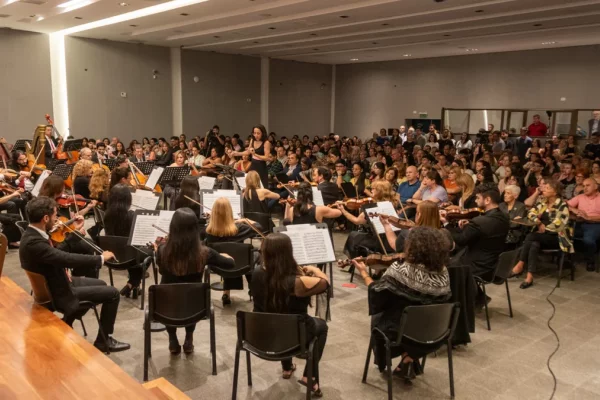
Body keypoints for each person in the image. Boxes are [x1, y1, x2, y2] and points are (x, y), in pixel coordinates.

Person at [19, 197, 129, 352]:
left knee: (102, 285)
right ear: (45, 218)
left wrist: (74, 233)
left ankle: (68, 322)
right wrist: (100, 258)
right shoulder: (34, 243)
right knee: (113, 293)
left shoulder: (32, 234)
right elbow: (66, 259)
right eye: (55, 215)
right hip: (58, 292)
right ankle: (103, 341)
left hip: (57, 281)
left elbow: (56, 254)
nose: (57, 219)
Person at [352, 227, 451, 380]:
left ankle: (391, 357)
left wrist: (364, 272)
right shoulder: (443, 272)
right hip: (435, 331)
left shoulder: (400, 269)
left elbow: (377, 292)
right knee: (414, 312)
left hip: (402, 333)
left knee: (380, 315)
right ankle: (409, 356)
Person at [251, 234, 329, 396]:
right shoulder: (297, 282)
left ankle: (287, 368)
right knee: (321, 326)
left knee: (280, 317)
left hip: (261, 334)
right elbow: (325, 283)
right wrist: (315, 270)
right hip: (294, 336)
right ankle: (310, 376)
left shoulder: (257, 272)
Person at [155, 208, 235, 354]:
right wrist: (224, 255)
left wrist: (157, 250)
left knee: (171, 298)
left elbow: (161, 271)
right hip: (196, 308)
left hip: (165, 307)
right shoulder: (205, 253)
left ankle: (172, 340)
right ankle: (189, 338)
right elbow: (230, 264)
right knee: (191, 299)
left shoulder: (161, 250)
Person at [449, 186, 509, 305]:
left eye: (477, 198)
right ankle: (480, 297)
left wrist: (447, 224)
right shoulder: (503, 217)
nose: (475, 201)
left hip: (480, 265)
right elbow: (486, 231)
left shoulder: (479, 222)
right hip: (494, 262)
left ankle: (458, 303)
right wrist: (470, 225)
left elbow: (460, 240)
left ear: (487, 200)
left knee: (447, 266)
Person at [511, 179, 573, 288]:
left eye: (547, 188)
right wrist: (539, 223)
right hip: (540, 236)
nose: (544, 189)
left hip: (557, 237)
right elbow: (530, 213)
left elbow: (559, 224)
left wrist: (545, 228)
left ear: (555, 192)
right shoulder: (543, 202)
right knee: (534, 244)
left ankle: (520, 264)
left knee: (531, 236)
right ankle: (529, 277)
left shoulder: (562, 205)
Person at [205, 197, 260, 305]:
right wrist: (244, 220)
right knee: (253, 255)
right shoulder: (239, 228)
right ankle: (253, 289)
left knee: (226, 254)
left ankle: (226, 293)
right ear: (230, 211)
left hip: (218, 265)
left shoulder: (208, 231)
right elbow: (259, 227)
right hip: (242, 264)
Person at [103, 184, 145, 299]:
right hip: (130, 256)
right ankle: (133, 283)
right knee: (148, 252)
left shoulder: (107, 215)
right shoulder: (131, 216)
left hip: (113, 255)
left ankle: (133, 284)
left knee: (132, 250)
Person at [568, 178, 600, 271]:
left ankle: (590, 260)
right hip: (579, 223)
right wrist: (574, 210)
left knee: (588, 240)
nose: (585, 188)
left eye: (588, 185)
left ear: (596, 186)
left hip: (595, 224)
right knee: (564, 234)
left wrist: (589, 217)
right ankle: (567, 260)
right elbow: (565, 204)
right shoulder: (580, 197)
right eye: (584, 185)